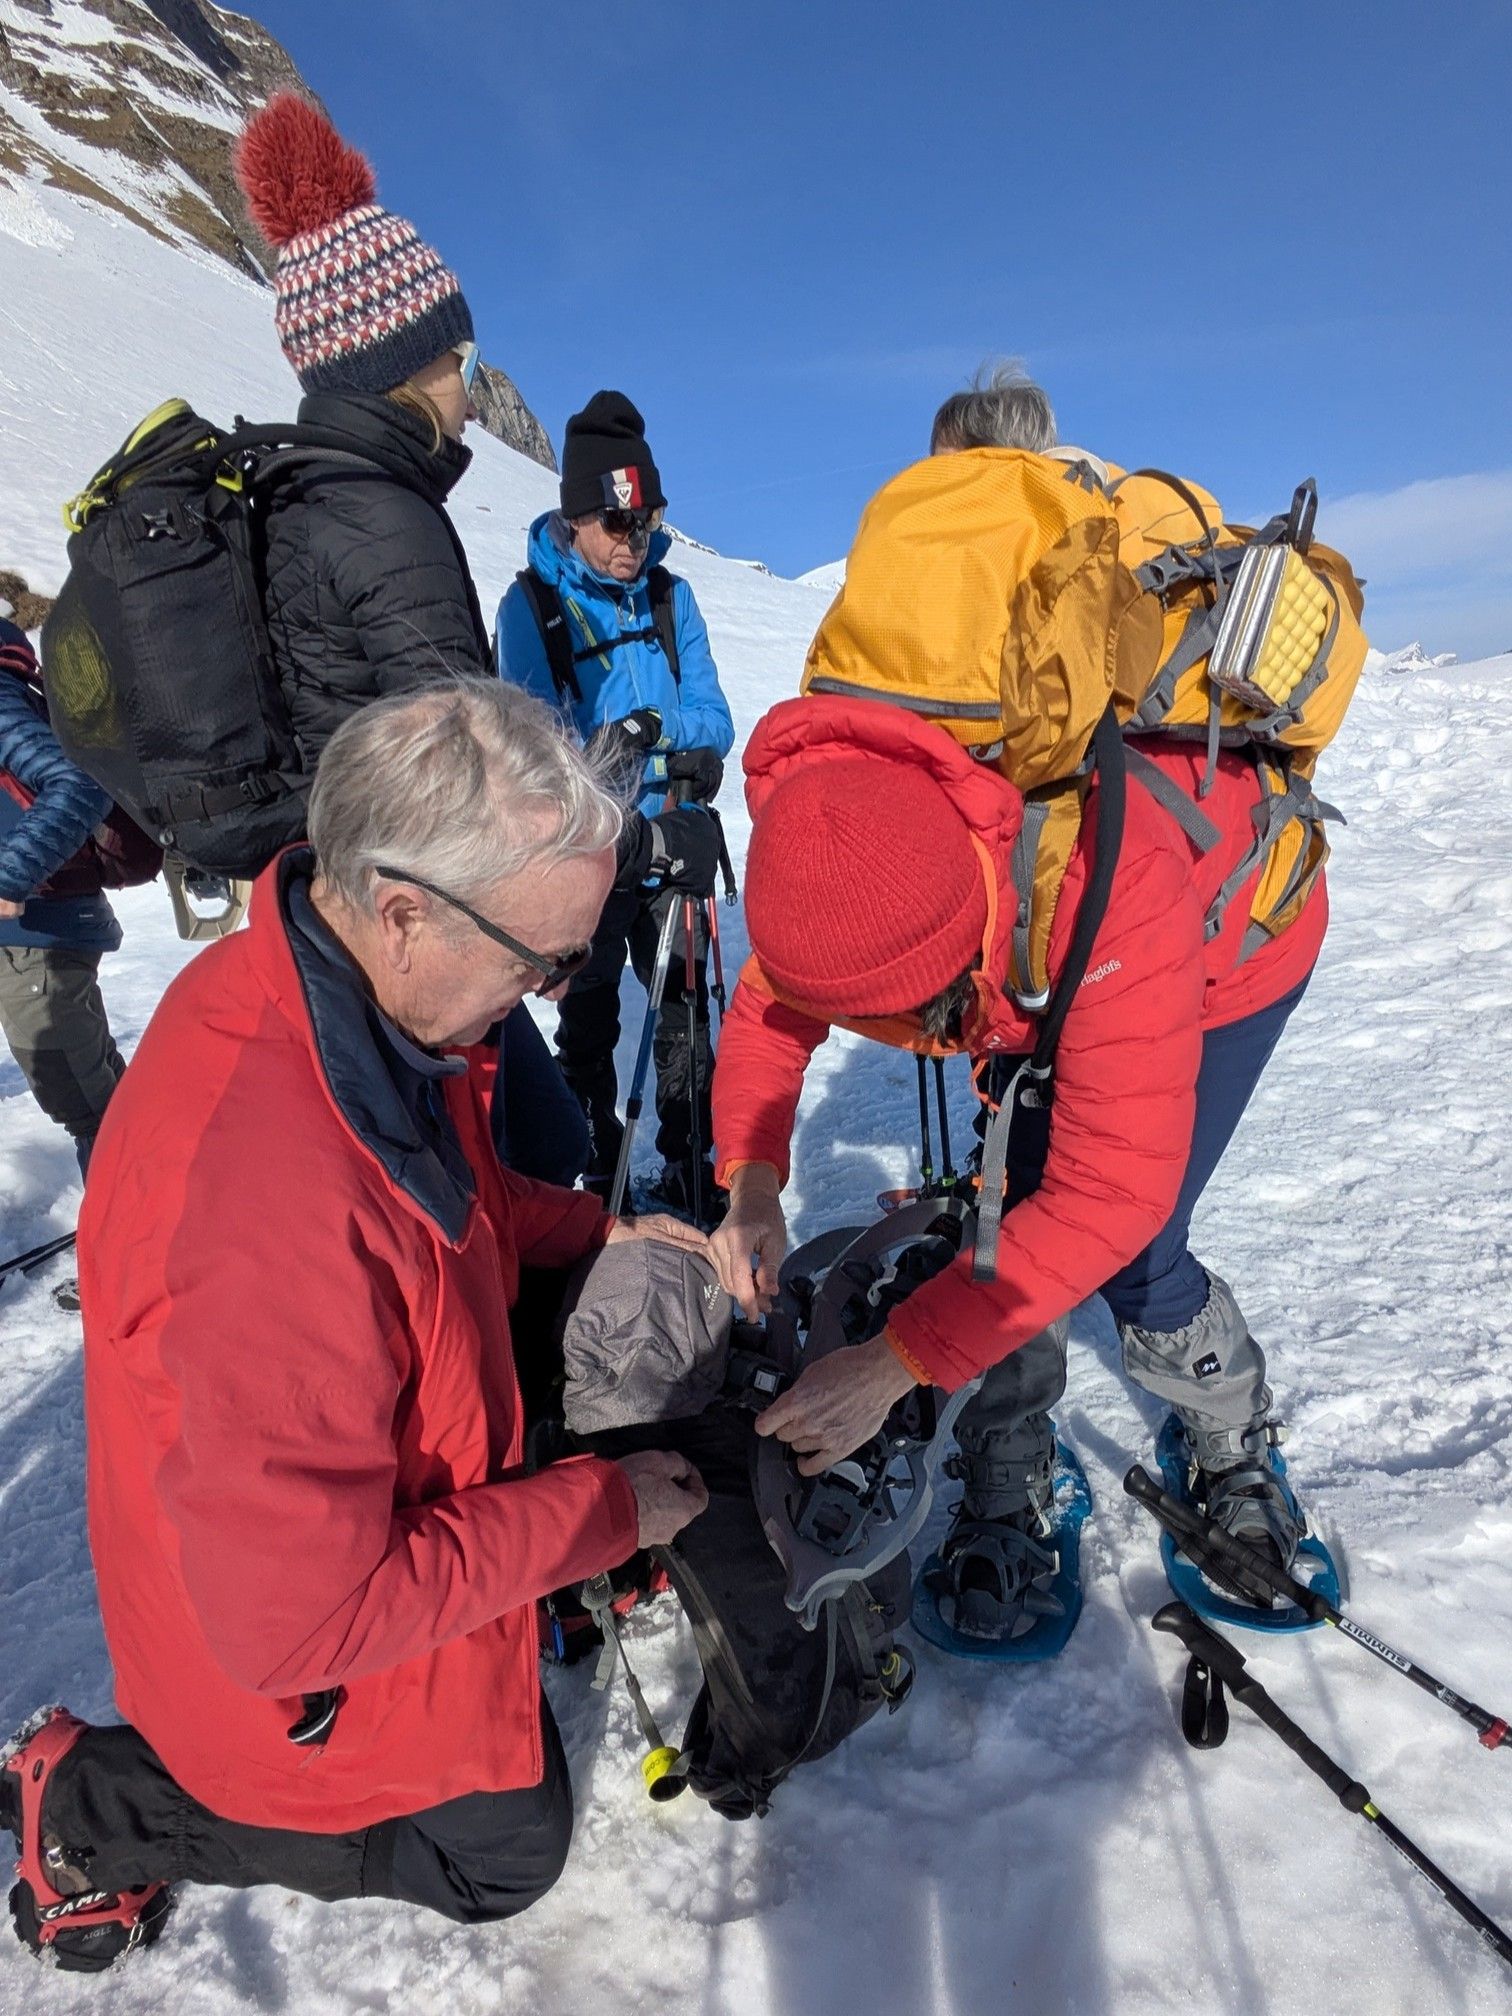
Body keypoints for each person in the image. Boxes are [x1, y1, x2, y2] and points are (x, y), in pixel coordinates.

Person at [0, 681, 710, 1971]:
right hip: (286, 1665)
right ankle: (100, 1806)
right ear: (404, 908)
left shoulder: (347, 1002)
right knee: (505, 1856)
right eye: (540, 961)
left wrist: (594, 1233)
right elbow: (299, 1627)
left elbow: (457, 1198)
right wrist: (603, 1512)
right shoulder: (267, 1207)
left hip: (310, 1524)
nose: (552, 994)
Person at [709, 374, 1334, 1643]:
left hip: (1228, 949)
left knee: (1137, 1243)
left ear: (975, 940)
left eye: (924, 1019)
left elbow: (1112, 1189)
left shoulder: (1111, 867)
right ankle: (1013, 1452)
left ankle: (1228, 1439)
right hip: (1034, 963)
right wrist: (751, 1178)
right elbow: (774, 1000)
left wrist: (897, 1360)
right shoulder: (838, 816)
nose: (920, 1050)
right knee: (1003, 1216)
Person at [230, 90, 591, 1185]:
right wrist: (547, 916)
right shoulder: (385, 515)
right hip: (416, 917)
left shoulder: (297, 493)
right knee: (535, 1157)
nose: (470, 388)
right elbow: (467, 749)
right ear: (408, 364)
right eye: (458, 359)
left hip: (330, 900)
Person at [496, 392, 735, 1222]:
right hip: (587, 851)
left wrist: (648, 730)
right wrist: (627, 746)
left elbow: (714, 720)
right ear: (576, 515)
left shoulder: (672, 600)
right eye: (616, 521)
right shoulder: (532, 609)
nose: (634, 540)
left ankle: (690, 1166)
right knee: (588, 1021)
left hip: (674, 838)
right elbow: (540, 750)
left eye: (646, 520)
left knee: (685, 1017)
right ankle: (597, 1177)